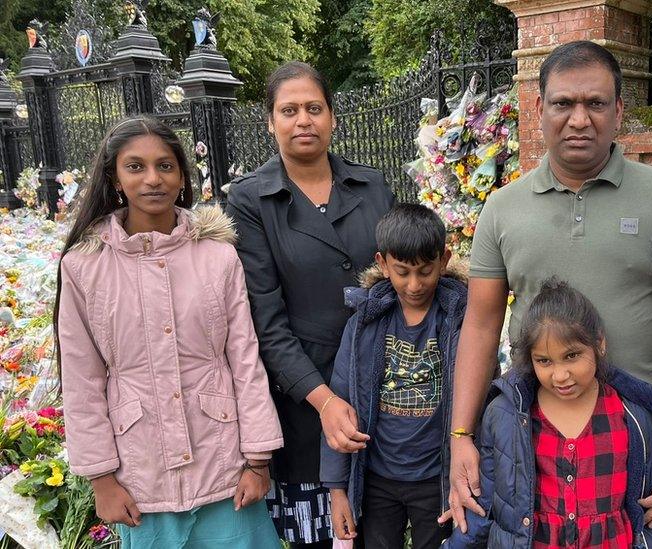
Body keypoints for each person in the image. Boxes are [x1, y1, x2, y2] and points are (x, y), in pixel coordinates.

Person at [446, 40, 652, 532]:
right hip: (535, 438)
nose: (579, 119)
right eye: (563, 104)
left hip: (637, 433)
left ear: (618, 111)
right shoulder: (503, 208)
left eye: (595, 103)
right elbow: (481, 326)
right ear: (539, 109)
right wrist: (461, 435)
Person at [56, 116, 283, 548]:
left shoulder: (217, 257)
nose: (152, 179)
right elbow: (82, 379)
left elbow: (244, 358)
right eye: (135, 167)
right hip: (141, 473)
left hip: (224, 465)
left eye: (165, 166)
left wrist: (257, 459)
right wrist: (101, 479)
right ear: (114, 179)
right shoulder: (85, 267)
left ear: (182, 175)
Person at [225, 61, 395, 548]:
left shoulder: (371, 187)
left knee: (382, 528)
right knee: (322, 539)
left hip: (384, 386)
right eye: (290, 110)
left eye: (314, 108)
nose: (304, 120)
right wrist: (322, 400)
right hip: (304, 399)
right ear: (270, 121)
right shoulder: (251, 200)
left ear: (332, 117)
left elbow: (401, 278)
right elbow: (265, 320)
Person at [445, 278, 652, 548]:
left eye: (572, 356)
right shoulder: (506, 416)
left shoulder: (634, 418)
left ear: (599, 344)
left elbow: (650, 514)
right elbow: (482, 504)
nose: (561, 375)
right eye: (544, 361)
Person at [321, 204, 467, 548]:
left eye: (425, 271)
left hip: (438, 481)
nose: (414, 284)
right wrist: (338, 489)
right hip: (378, 479)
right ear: (383, 263)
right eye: (402, 272)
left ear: (444, 260)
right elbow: (340, 403)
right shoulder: (364, 325)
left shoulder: (460, 321)